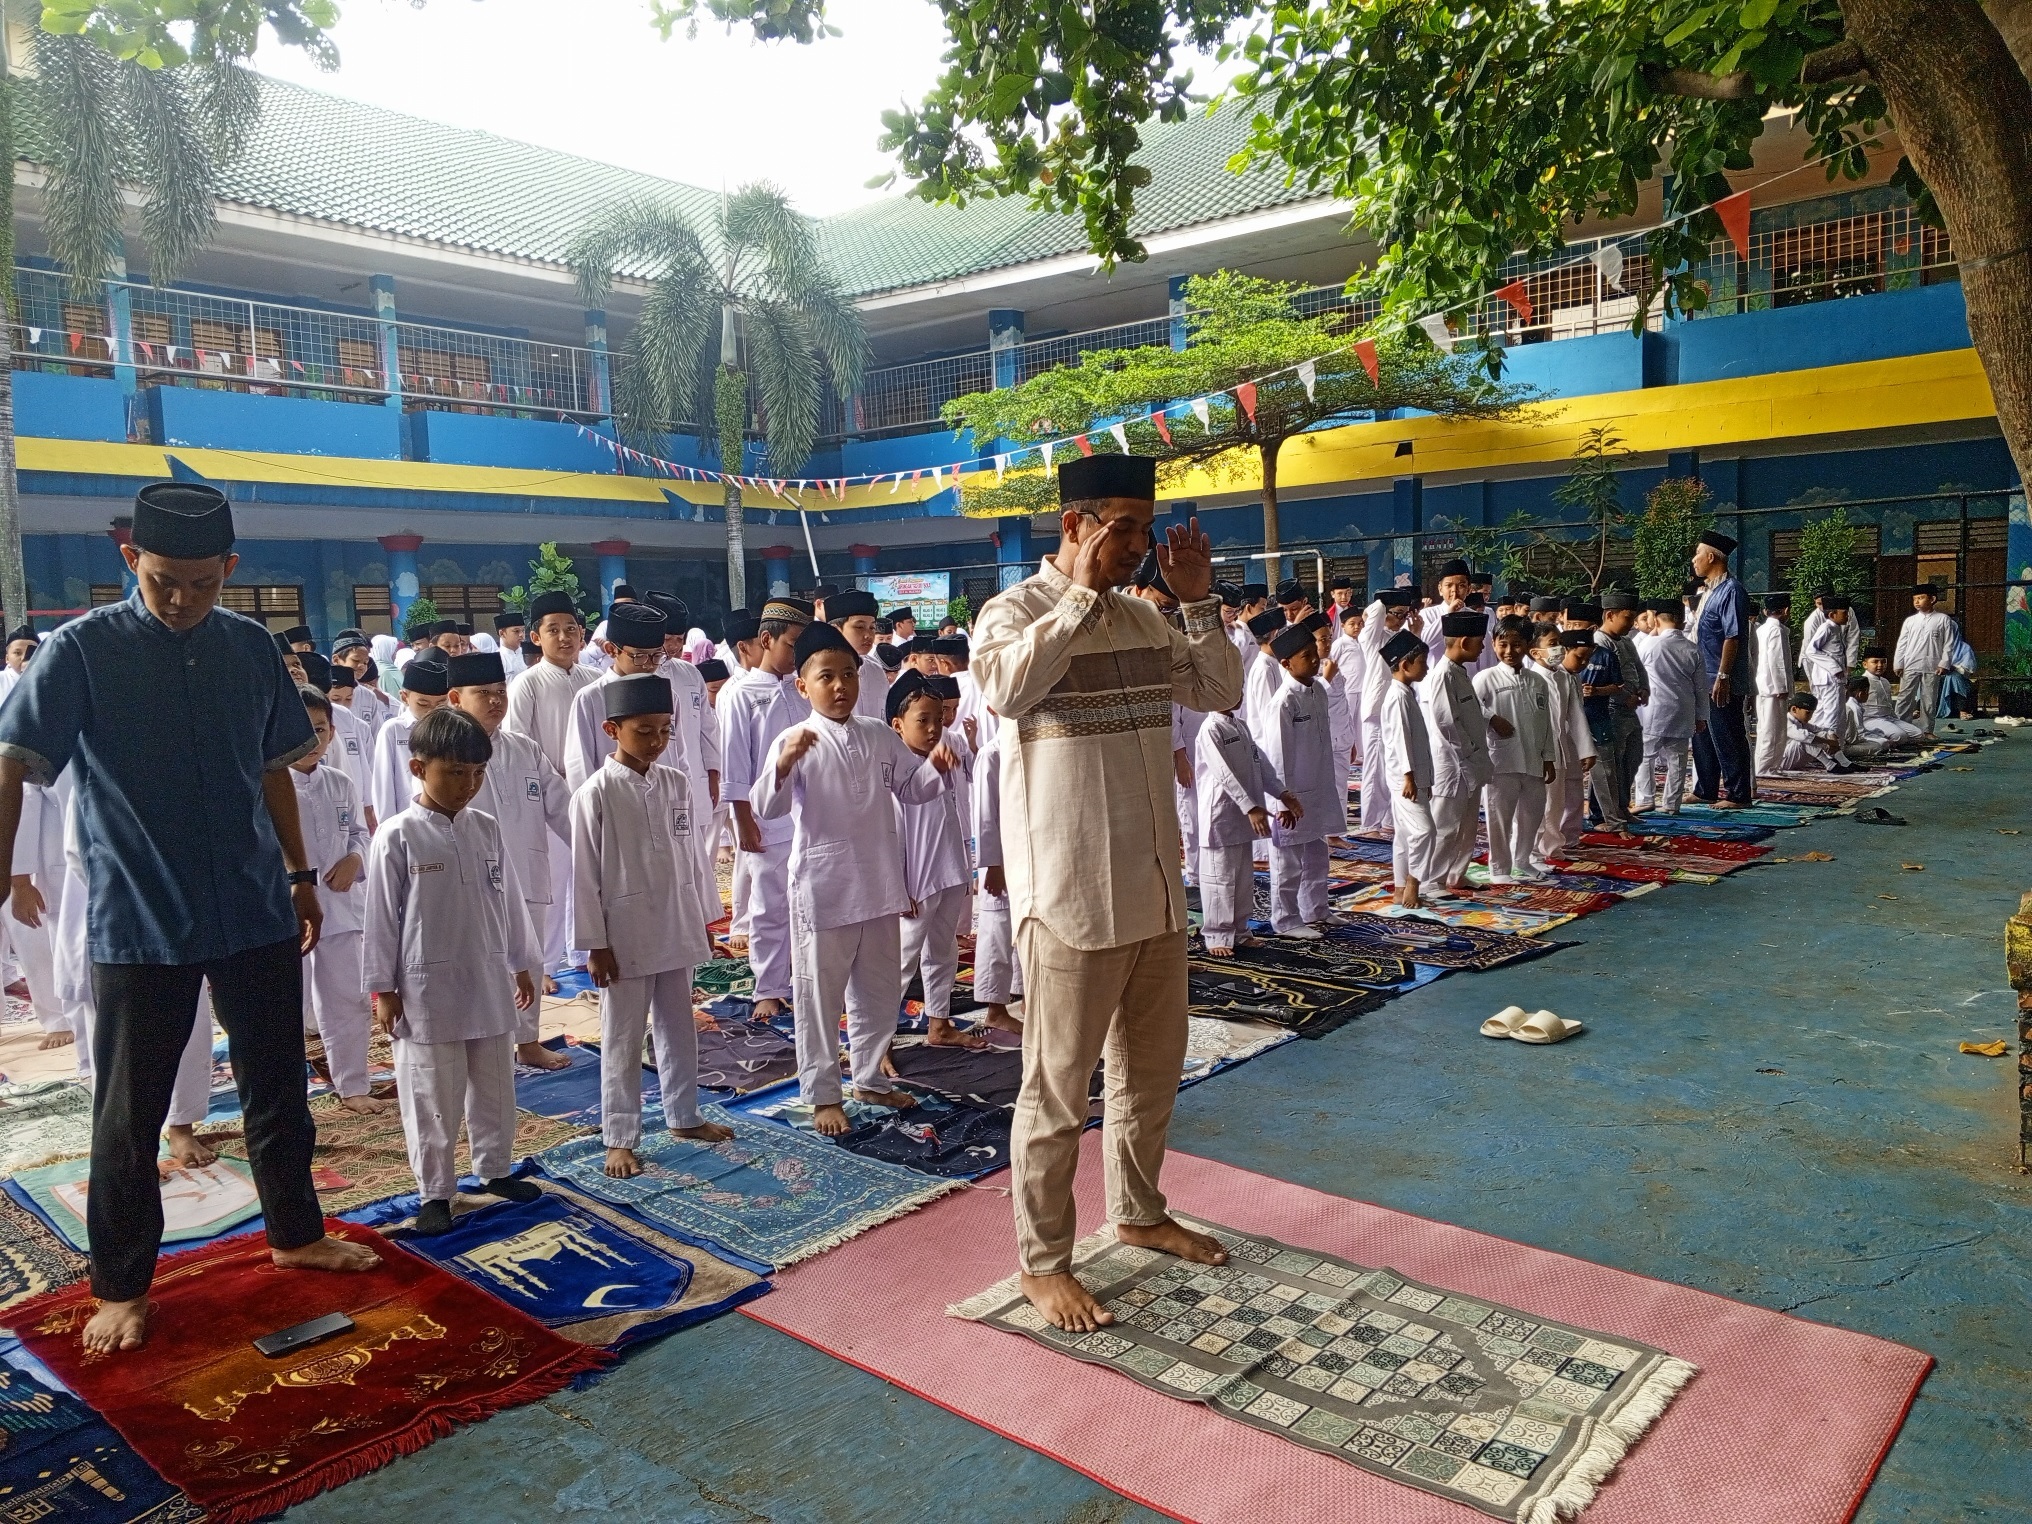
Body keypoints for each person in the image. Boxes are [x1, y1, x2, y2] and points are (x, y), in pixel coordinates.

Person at [0, 481, 378, 1352]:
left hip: (253, 905)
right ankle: (121, 1285)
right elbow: (17, 762)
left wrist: (300, 873)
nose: (180, 599)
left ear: (229, 571)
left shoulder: (249, 650)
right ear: (131, 559)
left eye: (202, 584)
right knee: (131, 1114)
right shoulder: (81, 652)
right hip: (139, 918)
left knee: (278, 1082)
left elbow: (277, 768)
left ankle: (295, 1235)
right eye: (164, 579)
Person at [972, 452, 1242, 1333]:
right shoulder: (1011, 614)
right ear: (1074, 526)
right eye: (1118, 526)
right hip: (1071, 895)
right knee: (1056, 1091)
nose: (1135, 545)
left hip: (1158, 888)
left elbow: (1221, 688)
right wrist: (1082, 597)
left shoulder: (1144, 616)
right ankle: (1041, 1263)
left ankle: (1138, 1210)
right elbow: (1009, 692)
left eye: (1143, 527)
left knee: (1151, 1073)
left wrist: (1196, 601)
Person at [752, 639, 955, 1136]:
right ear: (804, 686)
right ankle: (823, 1094)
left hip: (880, 881)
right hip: (824, 888)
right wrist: (782, 766)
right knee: (820, 996)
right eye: (826, 676)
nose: (840, 685)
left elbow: (913, 791)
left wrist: (937, 768)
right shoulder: (795, 738)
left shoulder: (878, 736)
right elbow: (768, 808)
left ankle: (869, 1079)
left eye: (848, 674)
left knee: (880, 990)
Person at [363, 707, 542, 1237]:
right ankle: (435, 1191)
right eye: (454, 772)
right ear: (419, 769)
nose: (468, 784)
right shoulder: (397, 836)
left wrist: (522, 962)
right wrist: (383, 988)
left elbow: (507, 899)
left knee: (494, 1084)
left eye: (476, 774)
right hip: (424, 985)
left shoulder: (486, 828)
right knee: (431, 1095)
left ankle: (494, 1169)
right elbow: (379, 917)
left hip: (487, 975)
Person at [571, 672, 729, 1178]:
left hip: (677, 922)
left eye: (666, 729)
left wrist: (706, 918)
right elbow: (583, 875)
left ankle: (683, 1115)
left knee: (678, 1026)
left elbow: (694, 858)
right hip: (625, 931)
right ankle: (620, 1134)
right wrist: (595, 943)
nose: (658, 741)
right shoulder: (594, 795)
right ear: (611, 729)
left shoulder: (677, 783)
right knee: (622, 1033)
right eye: (645, 730)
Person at [446, 649, 570, 1065]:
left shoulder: (524, 749)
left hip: (527, 871)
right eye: (483, 692)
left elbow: (562, 807)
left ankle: (527, 1041)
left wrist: (600, 849)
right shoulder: (445, 757)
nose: (496, 700)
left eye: (501, 691)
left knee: (528, 957)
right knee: (476, 962)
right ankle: (479, 1047)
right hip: (468, 879)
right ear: (455, 699)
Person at [289, 683, 384, 1113]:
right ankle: (286, 1098)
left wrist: (353, 858)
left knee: (347, 998)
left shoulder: (340, 782)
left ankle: (353, 1085)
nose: (312, 741)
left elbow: (359, 834)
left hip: (342, 908)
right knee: (284, 1006)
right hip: (285, 913)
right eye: (301, 730)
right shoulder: (266, 787)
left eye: (321, 730)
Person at [504, 591, 597, 978]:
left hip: (591, 793)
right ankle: (544, 964)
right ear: (536, 637)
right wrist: (551, 783)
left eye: (571, 629)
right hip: (548, 796)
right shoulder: (527, 684)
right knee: (552, 884)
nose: (564, 638)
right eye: (553, 630)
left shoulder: (594, 680)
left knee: (590, 878)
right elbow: (518, 743)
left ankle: (585, 952)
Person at [1194, 698, 1290, 954]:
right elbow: (1223, 774)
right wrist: (1251, 807)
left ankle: (1240, 930)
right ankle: (1217, 935)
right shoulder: (1211, 729)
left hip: (1243, 814)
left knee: (1242, 879)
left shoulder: (1241, 726)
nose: (1239, 694)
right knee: (1220, 878)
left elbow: (1260, 765)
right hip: (1222, 814)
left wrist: (1281, 792)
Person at [1259, 618, 1333, 938]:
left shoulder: (1318, 691)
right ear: (1287, 663)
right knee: (1288, 862)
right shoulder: (1283, 702)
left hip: (1316, 790)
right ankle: (1286, 920)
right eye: (1307, 655)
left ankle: (1316, 909)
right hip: (1290, 797)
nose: (1315, 659)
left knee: (1317, 854)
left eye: (1314, 651)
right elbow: (1276, 756)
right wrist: (1283, 800)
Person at [1473, 617, 1555, 884]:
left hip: (1533, 759)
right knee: (1499, 816)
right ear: (1493, 645)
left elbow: (1546, 722)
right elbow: (1470, 709)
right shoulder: (1486, 678)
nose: (1509, 651)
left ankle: (1523, 860)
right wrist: (1492, 718)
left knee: (1533, 814)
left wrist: (1549, 757)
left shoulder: (1537, 681)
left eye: (1517, 644)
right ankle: (1499, 868)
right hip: (1501, 761)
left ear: (1528, 646)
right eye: (1503, 644)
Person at [1421, 610, 1492, 887]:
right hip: (1454, 763)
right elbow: (1447, 722)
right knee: (1446, 826)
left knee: (1467, 824)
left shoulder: (1459, 673)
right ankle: (1432, 881)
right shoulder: (1442, 676)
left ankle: (1456, 874)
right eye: (1479, 641)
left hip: (1471, 761)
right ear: (1464, 642)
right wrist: (1470, 753)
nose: (1483, 647)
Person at [1690, 530, 1754, 806]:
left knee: (1727, 733)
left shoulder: (1731, 591)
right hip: (1703, 676)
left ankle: (1738, 794)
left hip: (1720, 677)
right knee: (1703, 735)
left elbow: (1732, 636)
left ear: (1711, 556)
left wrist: (1724, 675)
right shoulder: (1709, 592)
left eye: (1697, 555)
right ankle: (1705, 789)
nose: (1694, 561)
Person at [972, 711, 1024, 1032]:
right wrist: (991, 864)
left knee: (1022, 929)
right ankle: (995, 1009)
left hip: (1025, 854)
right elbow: (984, 815)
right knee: (997, 929)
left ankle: (1021, 994)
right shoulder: (991, 754)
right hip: (1001, 857)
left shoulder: (1026, 747)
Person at [1532, 626, 1598, 871]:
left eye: (1559, 642)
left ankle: (1552, 846)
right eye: (1552, 642)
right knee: (1538, 803)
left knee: (1556, 801)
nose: (1558, 648)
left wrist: (1586, 749)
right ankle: (1532, 851)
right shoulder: (1531, 677)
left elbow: (1575, 714)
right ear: (1536, 651)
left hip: (1558, 747)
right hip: (1536, 749)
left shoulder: (1563, 677)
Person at [1378, 629, 1435, 906]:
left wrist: (1427, 778)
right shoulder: (1398, 697)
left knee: (1403, 834)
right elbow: (1399, 741)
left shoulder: (1406, 693)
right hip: (1405, 778)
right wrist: (1409, 777)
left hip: (1414, 775)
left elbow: (1417, 740)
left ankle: (1400, 886)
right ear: (1405, 664)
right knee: (1425, 830)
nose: (1425, 667)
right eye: (1422, 662)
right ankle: (1413, 882)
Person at [1633, 602, 1706, 816]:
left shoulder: (1649, 645)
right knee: (1678, 760)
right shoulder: (1693, 649)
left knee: (1646, 757)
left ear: (1656, 620)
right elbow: (1701, 687)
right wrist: (1701, 716)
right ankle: (1672, 805)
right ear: (1682, 622)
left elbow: (1637, 676)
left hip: (1653, 710)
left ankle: (1645, 799)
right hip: (1683, 710)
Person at [1356, 589, 1416, 833]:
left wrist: (1416, 631)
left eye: (1405, 615)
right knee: (1374, 770)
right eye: (1397, 614)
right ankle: (1370, 822)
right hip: (1376, 710)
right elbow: (1375, 612)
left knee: (1396, 765)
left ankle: (1391, 819)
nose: (1401, 619)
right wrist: (1382, 599)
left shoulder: (1402, 636)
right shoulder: (1373, 639)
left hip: (1397, 707)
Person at [369, 651, 449, 826]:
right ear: (404, 697)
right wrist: (388, 831)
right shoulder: (393, 731)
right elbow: (384, 789)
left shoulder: (453, 729)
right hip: (405, 826)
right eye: (423, 704)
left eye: (441, 704)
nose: (432, 711)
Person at [1892, 583, 1954, 737]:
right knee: (1905, 697)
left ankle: (1926, 730)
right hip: (1910, 664)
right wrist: (1898, 663)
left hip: (1932, 664)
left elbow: (1949, 643)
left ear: (1932, 599)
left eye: (1920, 598)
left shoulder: (1943, 619)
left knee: (1929, 699)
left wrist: (1944, 663)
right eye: (1915, 599)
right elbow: (1902, 643)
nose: (1917, 602)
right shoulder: (1910, 621)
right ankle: (1901, 729)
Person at [1752, 593, 1795, 777]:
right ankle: (1765, 767)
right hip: (1773, 687)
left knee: (1771, 727)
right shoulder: (1776, 630)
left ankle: (1771, 766)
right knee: (1772, 728)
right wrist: (1781, 686)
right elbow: (1776, 660)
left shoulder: (1762, 629)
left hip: (1764, 684)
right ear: (1786, 610)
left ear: (1764, 611)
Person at [1802, 595, 1852, 733]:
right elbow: (1811, 651)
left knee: (1828, 714)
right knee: (1833, 715)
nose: (1847, 616)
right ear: (1832, 614)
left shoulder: (1836, 628)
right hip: (1830, 679)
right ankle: (1830, 750)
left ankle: (1822, 747)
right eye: (1845, 613)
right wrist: (1835, 668)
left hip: (1833, 679)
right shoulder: (1826, 628)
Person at [1780, 691, 1848, 772]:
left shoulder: (1801, 722)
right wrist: (1829, 742)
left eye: (1812, 713)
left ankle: (1845, 762)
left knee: (1822, 734)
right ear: (1794, 709)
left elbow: (1824, 729)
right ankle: (1830, 765)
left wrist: (1831, 735)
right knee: (1802, 740)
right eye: (1808, 713)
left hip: (1794, 759)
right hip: (1781, 762)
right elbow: (1803, 737)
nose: (1810, 717)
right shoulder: (1785, 721)